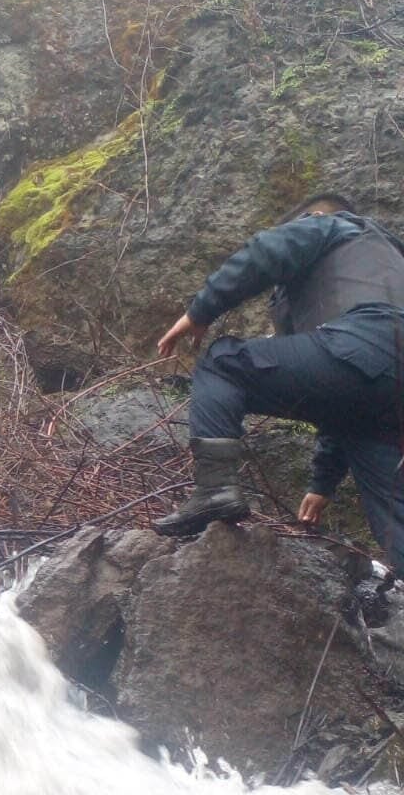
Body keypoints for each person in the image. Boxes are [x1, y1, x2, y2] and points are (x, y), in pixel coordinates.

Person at [153, 191, 404, 571]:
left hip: (365, 343)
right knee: (393, 515)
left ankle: (215, 488)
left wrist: (201, 309)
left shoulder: (332, 224)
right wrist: (322, 484)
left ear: (312, 217)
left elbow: (269, 249)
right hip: (384, 397)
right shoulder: (391, 259)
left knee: (222, 363)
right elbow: (342, 396)